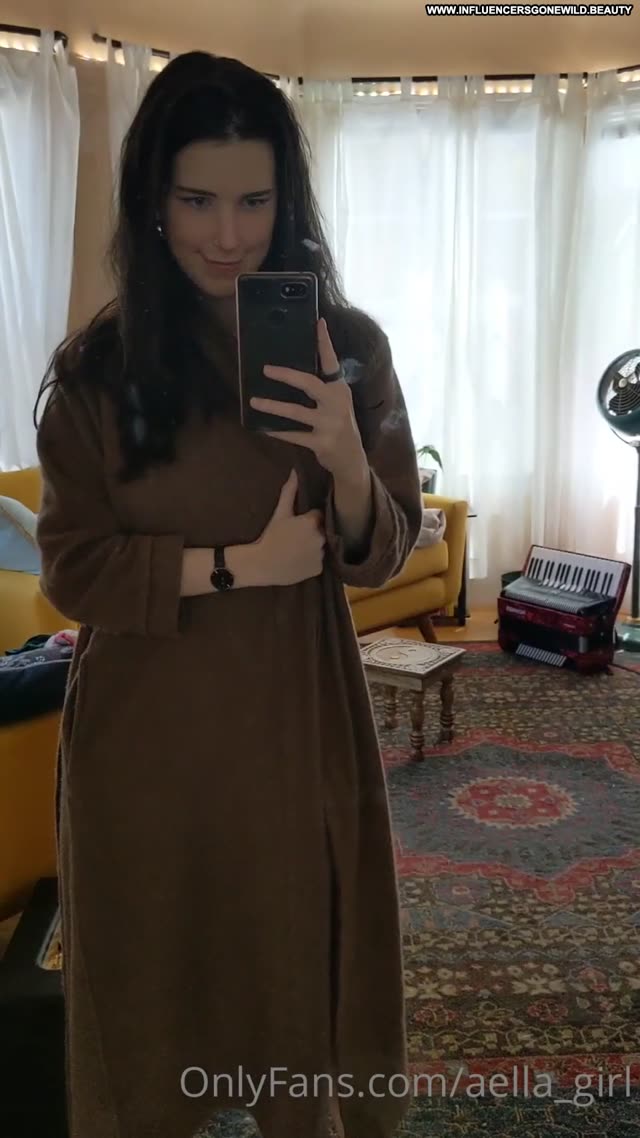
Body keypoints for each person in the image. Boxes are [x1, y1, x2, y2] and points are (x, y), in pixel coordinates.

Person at [34, 50, 423, 1138]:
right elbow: (71, 567)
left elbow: (386, 548)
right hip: (145, 740)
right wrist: (236, 565)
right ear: (152, 202)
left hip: (296, 723)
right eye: (197, 199)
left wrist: (347, 460)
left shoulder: (349, 348)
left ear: (286, 201)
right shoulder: (97, 374)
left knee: (299, 987)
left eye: (254, 201)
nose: (225, 234)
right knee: (153, 995)